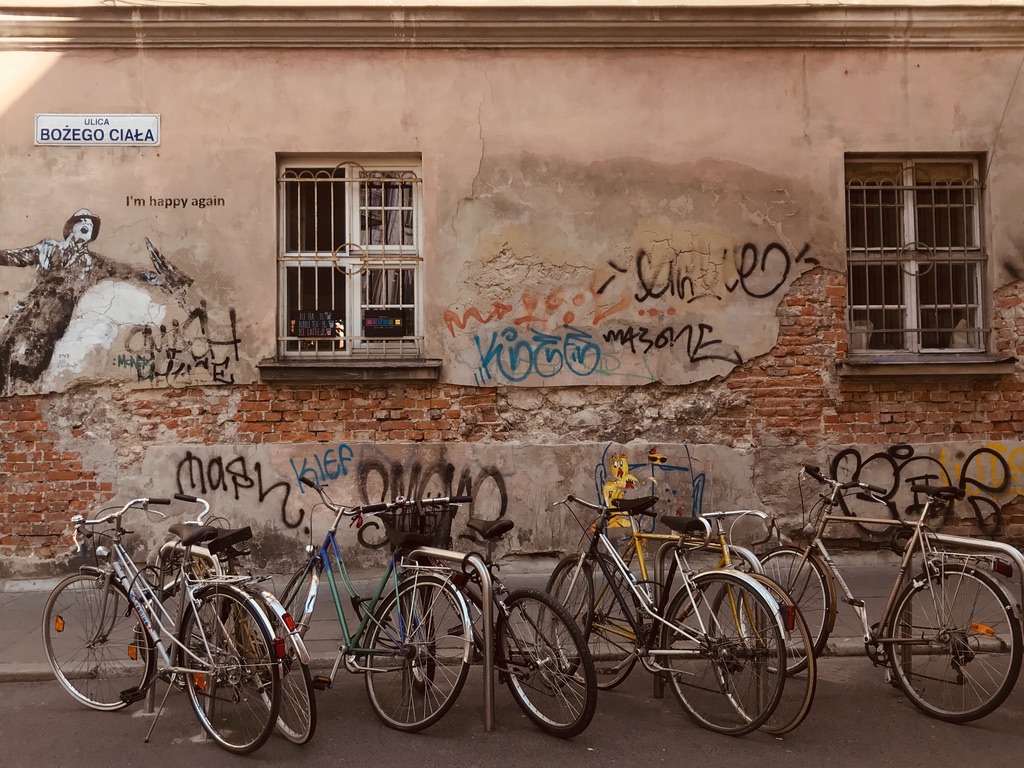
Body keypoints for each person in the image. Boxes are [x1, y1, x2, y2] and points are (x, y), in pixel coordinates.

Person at [0, 208, 192, 395]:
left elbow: (129, 272)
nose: (88, 225)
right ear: (71, 228)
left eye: (91, 225)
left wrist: (161, 280)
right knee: (4, 350)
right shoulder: (47, 247)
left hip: (56, 319)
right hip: (29, 309)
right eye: (83, 222)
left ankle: (19, 399)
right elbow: (14, 257)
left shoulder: (95, 263)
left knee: (32, 365)